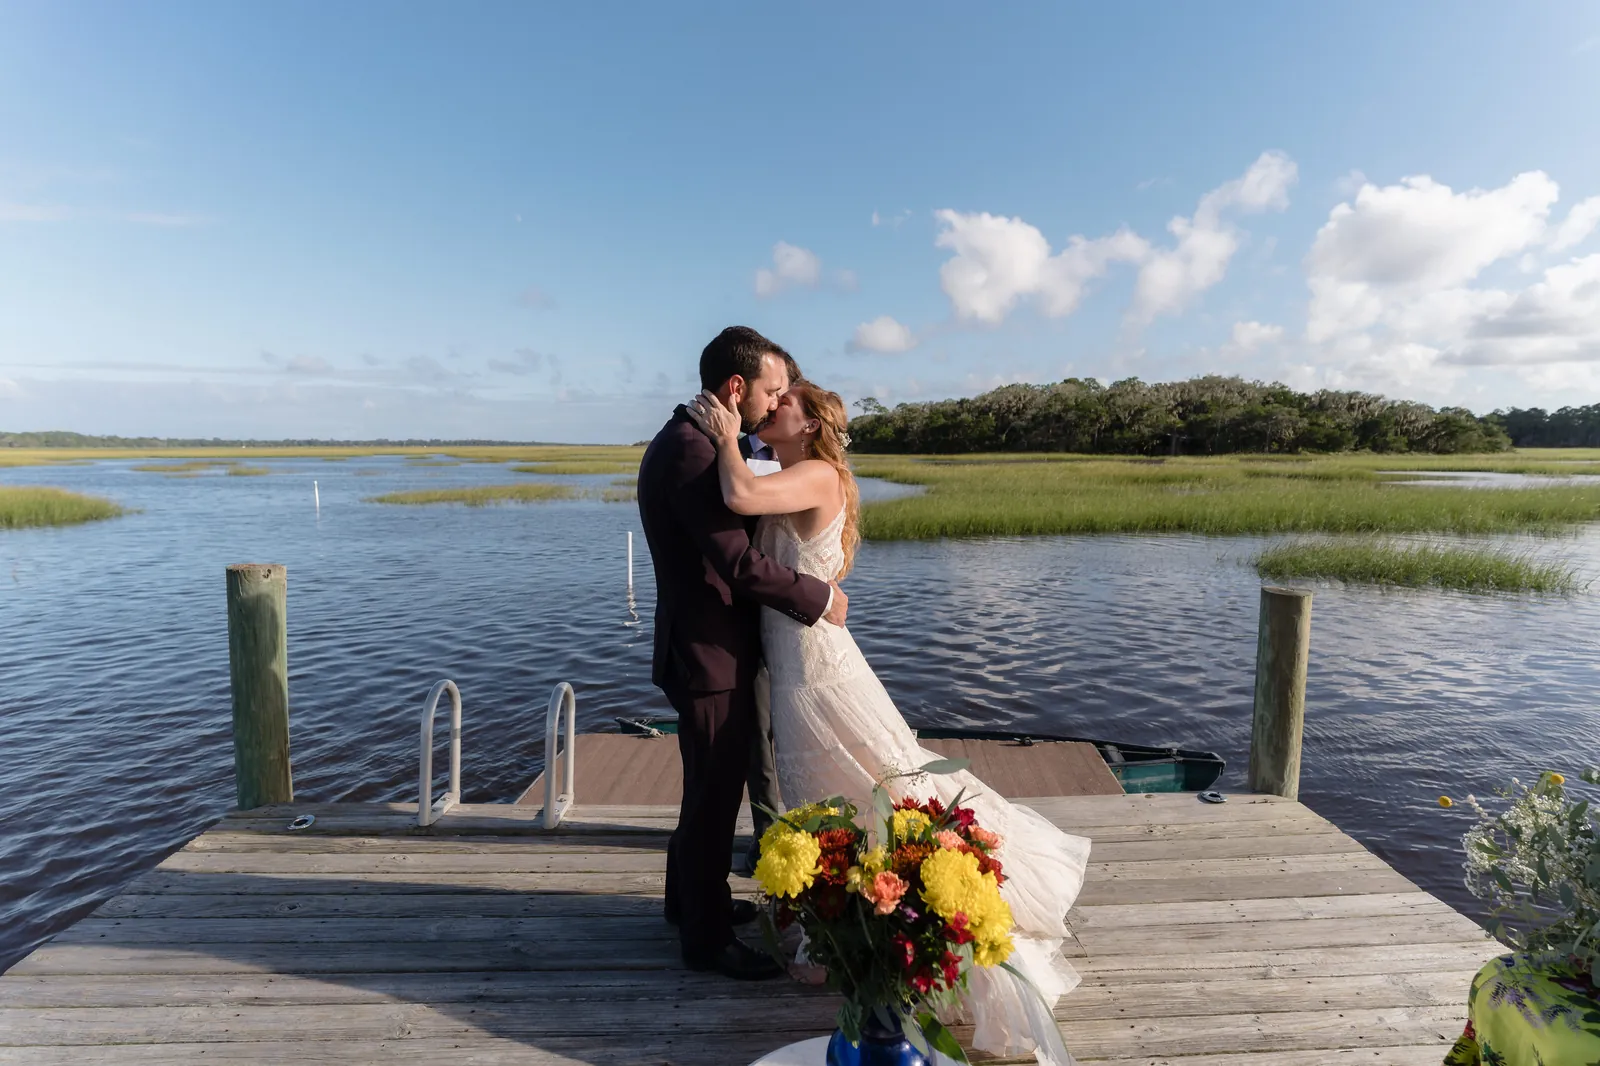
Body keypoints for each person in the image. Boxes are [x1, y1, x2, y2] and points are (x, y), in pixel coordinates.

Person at [684, 381, 1089, 1061]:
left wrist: (723, 430)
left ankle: (888, 916)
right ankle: (837, 925)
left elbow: (741, 497)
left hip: (819, 670)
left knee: (875, 783)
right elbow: (747, 493)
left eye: (783, 401)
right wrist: (735, 442)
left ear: (810, 423)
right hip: (793, 671)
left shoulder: (815, 474)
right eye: (771, 396)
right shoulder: (789, 468)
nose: (771, 405)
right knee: (830, 793)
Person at [636, 326, 848, 981]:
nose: (775, 399)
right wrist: (819, 598)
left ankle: (690, 903)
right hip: (709, 656)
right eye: (771, 389)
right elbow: (740, 564)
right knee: (714, 797)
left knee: (704, 789)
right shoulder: (694, 453)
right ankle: (704, 939)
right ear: (737, 388)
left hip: (705, 649)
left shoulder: (696, 439)